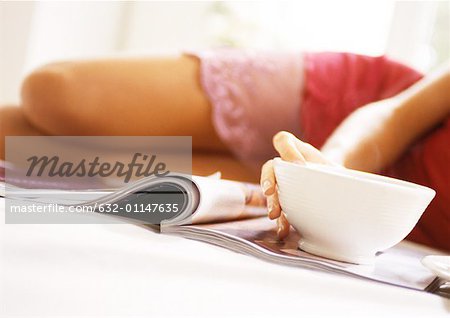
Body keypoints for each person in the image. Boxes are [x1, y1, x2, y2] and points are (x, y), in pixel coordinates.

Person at [0, 50, 448, 251]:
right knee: (53, 92)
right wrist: (328, 169)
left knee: (26, 146)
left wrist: (318, 195)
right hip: (336, 116)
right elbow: (393, 117)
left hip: (317, 211)